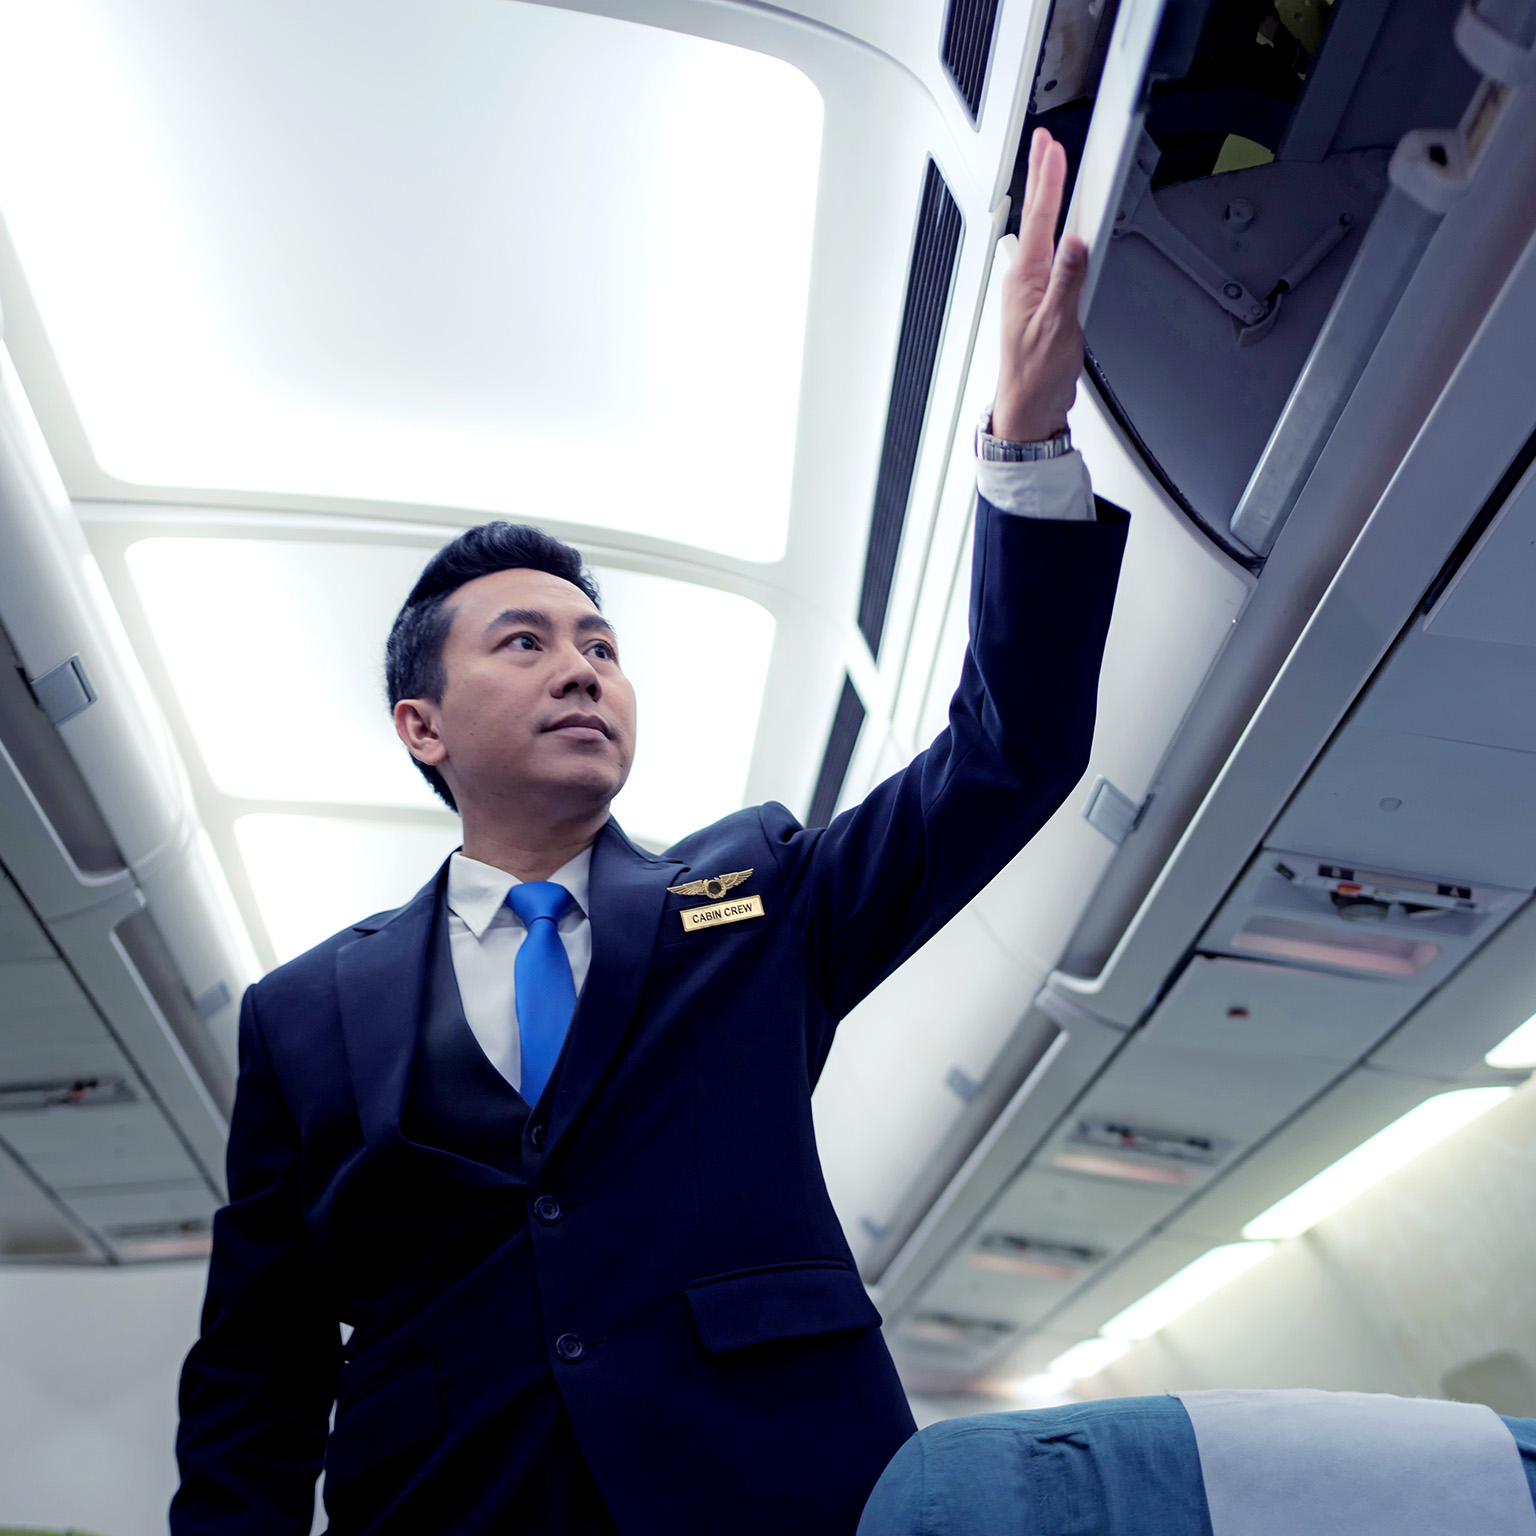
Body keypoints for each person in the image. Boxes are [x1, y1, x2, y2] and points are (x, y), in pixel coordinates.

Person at [171, 129, 1128, 1536]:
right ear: (421, 726)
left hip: (772, 1493)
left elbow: (1009, 755)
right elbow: (258, 1365)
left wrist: (1025, 450)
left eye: (601, 644)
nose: (582, 668)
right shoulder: (304, 1013)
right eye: (524, 642)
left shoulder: (752, 896)